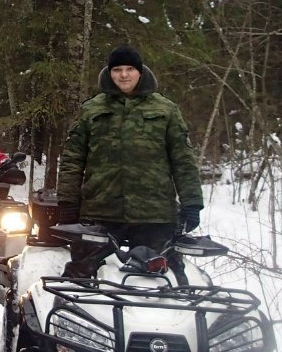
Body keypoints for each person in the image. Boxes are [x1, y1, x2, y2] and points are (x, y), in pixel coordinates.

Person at [56, 44, 204, 277]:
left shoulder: (165, 109)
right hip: (100, 210)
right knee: (80, 277)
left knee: (161, 280)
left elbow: (183, 159)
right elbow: (73, 159)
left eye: (129, 69)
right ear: (109, 72)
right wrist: (67, 202)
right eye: (117, 70)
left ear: (140, 72)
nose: (123, 75)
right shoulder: (91, 109)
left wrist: (192, 203)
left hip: (154, 213)